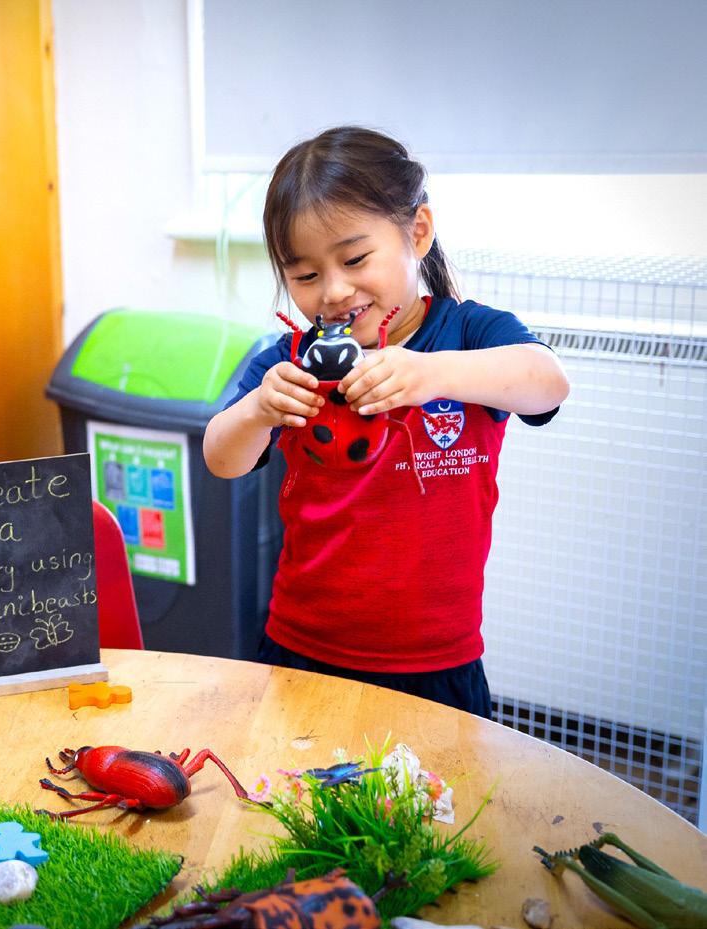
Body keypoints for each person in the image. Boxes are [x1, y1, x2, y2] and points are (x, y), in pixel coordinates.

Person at [203, 126, 569, 717]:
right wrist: (257, 410)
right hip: (304, 648)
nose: (334, 291)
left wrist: (433, 374)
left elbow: (548, 383)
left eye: (354, 259)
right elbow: (221, 458)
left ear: (417, 232)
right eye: (305, 275)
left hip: (438, 660)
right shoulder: (289, 358)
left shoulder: (468, 333)